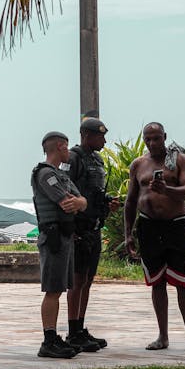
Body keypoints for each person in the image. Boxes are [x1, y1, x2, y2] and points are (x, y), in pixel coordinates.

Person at [124, 122, 185, 352]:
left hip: (175, 226)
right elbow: (131, 201)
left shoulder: (179, 160)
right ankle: (162, 336)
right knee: (157, 282)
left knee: (183, 282)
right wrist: (128, 234)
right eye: (148, 139)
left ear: (165, 137)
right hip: (148, 227)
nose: (152, 143)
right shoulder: (138, 165)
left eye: (156, 138)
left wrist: (166, 190)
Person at [65, 117, 121, 352]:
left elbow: (95, 192)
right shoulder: (74, 158)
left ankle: (80, 327)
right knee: (77, 281)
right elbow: (65, 191)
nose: (104, 141)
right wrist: (72, 228)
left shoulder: (97, 160)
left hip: (94, 226)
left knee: (87, 280)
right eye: (101, 136)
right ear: (86, 135)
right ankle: (72, 331)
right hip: (79, 228)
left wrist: (107, 204)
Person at [31, 130, 88, 359]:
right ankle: (48, 339)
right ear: (61, 146)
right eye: (67, 148)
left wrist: (80, 202)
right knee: (53, 290)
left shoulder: (61, 175)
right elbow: (66, 202)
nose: (69, 152)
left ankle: (53, 337)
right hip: (53, 238)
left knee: (61, 288)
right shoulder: (45, 174)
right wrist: (77, 202)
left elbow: (81, 201)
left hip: (65, 237)